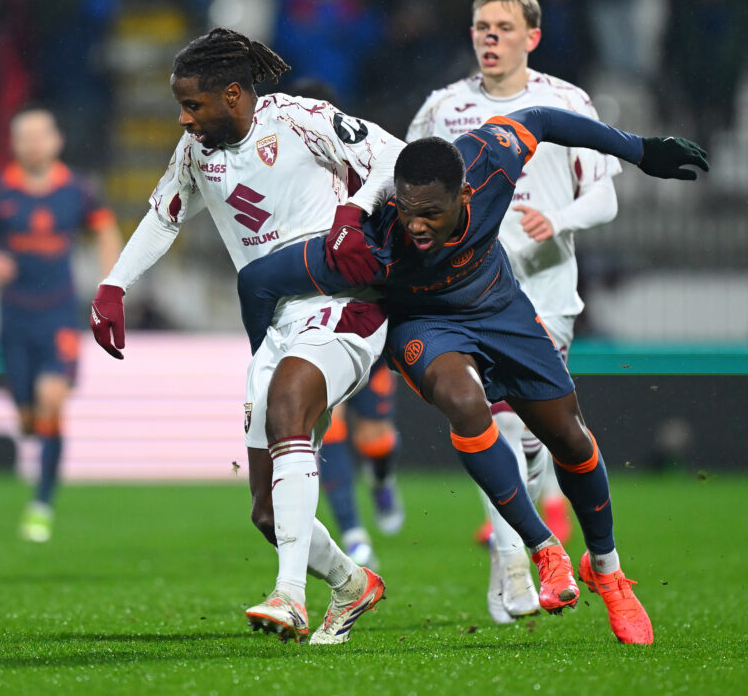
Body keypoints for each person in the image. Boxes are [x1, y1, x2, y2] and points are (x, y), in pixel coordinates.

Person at [237, 105, 708, 645]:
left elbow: (545, 120)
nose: (415, 224)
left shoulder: (488, 162)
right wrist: (263, 358)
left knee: (570, 440)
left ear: (465, 197)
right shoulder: (368, 243)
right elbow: (258, 280)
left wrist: (640, 149)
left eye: (430, 214)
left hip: (500, 310)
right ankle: (543, 547)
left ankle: (608, 571)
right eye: (406, 210)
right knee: (464, 403)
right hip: (425, 328)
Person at [89, 28, 398, 644]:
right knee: (266, 511)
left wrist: (354, 211)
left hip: (343, 304)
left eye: (193, 105)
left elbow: (398, 159)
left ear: (233, 94)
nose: (183, 117)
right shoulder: (194, 150)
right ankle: (351, 583)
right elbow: (162, 215)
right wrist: (114, 285)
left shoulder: (303, 120)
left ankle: (290, 597)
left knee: (288, 410)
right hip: (276, 321)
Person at [407, 0, 618, 624]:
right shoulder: (444, 109)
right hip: (462, 302)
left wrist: (556, 218)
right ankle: (517, 565)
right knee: (494, 426)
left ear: (533, 36)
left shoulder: (563, 103)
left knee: (536, 436)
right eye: (480, 26)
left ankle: (529, 553)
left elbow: (606, 199)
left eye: (503, 26)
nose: (489, 36)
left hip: (544, 296)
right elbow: (400, 181)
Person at [0, 105, 122, 543]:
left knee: (51, 400)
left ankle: (42, 503)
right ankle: (37, 459)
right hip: (14, 318)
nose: (34, 144)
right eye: (25, 137)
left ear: (56, 141)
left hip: (59, 315)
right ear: (15, 144)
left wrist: (110, 283)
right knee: (28, 419)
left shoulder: (77, 190)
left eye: (41, 135)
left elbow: (105, 230)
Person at [286, 78, 404, 570]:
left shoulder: (367, 160)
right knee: (323, 430)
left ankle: (381, 480)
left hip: (364, 312)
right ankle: (354, 534)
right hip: (313, 314)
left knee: (373, 432)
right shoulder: (287, 176)